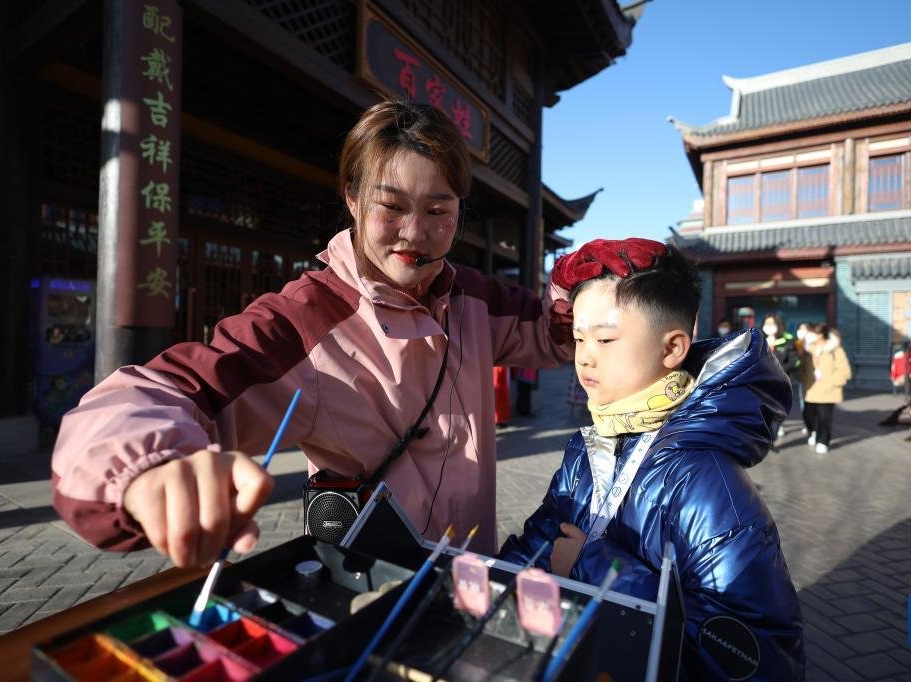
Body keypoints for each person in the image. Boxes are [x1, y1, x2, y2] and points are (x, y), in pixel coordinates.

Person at [51, 101, 667, 565]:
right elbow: (162, 390)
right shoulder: (301, 321)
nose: (414, 232)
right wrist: (148, 467)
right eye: (391, 206)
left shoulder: (474, 296)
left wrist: (592, 292)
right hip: (369, 581)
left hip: (469, 570)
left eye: (439, 211)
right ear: (350, 198)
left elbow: (558, 334)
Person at [500, 240, 804, 680]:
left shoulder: (705, 481)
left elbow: (752, 656)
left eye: (605, 339)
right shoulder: (587, 447)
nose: (584, 355)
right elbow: (544, 538)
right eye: (580, 338)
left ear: (673, 348)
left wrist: (592, 565)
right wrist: (472, 591)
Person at [802, 325, 851, 454]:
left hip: (829, 390)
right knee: (808, 415)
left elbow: (844, 370)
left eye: (813, 333)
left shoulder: (835, 349)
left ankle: (823, 440)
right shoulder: (808, 349)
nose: (810, 335)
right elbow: (803, 367)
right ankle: (813, 432)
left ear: (821, 335)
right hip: (811, 389)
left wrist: (834, 382)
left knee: (825, 417)